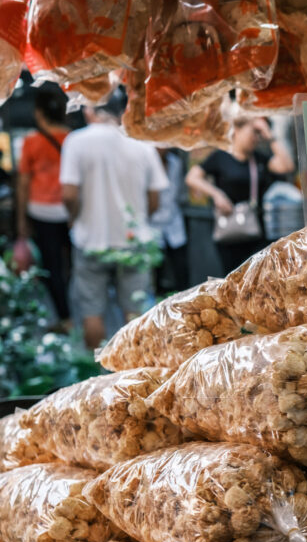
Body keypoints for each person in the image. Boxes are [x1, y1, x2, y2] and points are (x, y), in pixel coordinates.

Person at [60, 90, 169, 350]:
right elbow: (155, 198)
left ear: (89, 111)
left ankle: (94, 372)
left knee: (91, 311)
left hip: (91, 240)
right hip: (134, 243)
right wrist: (138, 220)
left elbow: (68, 194)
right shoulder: (141, 143)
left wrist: (75, 219)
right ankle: (132, 373)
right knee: (135, 314)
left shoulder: (76, 141)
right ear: (123, 111)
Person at [185, 114, 294, 273]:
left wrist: (269, 135)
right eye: (253, 132)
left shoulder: (258, 159)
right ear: (237, 130)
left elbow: (287, 166)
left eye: (258, 133)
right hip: (228, 230)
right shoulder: (221, 157)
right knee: (233, 277)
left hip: (256, 231)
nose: (256, 138)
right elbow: (192, 177)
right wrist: (217, 195)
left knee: (259, 278)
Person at [17, 84, 72, 328]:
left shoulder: (31, 141)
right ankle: (69, 308)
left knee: (51, 266)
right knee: (69, 263)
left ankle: (64, 316)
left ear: (39, 112)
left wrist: (20, 220)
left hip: (41, 211)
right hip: (71, 211)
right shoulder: (72, 138)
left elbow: (23, 184)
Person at [152, 147, 189, 293]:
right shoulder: (146, 161)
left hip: (174, 222)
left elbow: (180, 193)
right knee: (156, 271)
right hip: (152, 223)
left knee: (180, 267)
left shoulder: (175, 163)